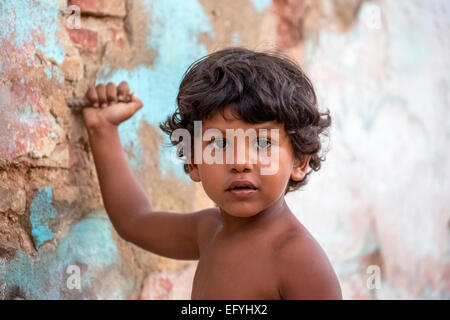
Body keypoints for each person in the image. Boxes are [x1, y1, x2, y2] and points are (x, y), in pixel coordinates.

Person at [81, 47, 342, 299]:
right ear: (194, 162)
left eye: (263, 142)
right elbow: (134, 220)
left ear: (299, 161)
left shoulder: (298, 259)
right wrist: (102, 130)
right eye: (219, 143)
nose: (240, 162)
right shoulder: (207, 231)